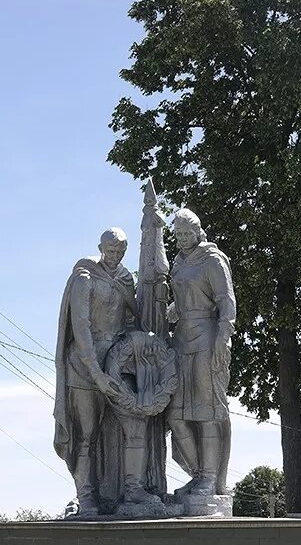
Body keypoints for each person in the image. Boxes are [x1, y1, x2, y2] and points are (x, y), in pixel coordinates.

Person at [54, 227, 154, 515]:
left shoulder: (125, 278)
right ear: (100, 247)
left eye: (120, 252)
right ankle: (86, 497)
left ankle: (133, 490)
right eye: (111, 251)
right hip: (83, 366)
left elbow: (130, 320)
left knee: (136, 425)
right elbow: (81, 327)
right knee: (86, 435)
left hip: (117, 361)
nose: (115, 256)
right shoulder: (84, 277)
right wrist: (96, 372)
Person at [167, 208, 236, 498]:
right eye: (178, 234)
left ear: (198, 232)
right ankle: (197, 474)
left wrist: (224, 337)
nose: (183, 239)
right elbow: (178, 302)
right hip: (180, 338)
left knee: (206, 412)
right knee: (176, 414)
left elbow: (226, 301)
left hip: (207, 336)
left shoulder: (212, 259)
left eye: (187, 233)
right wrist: (166, 311)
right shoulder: (177, 263)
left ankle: (209, 478)